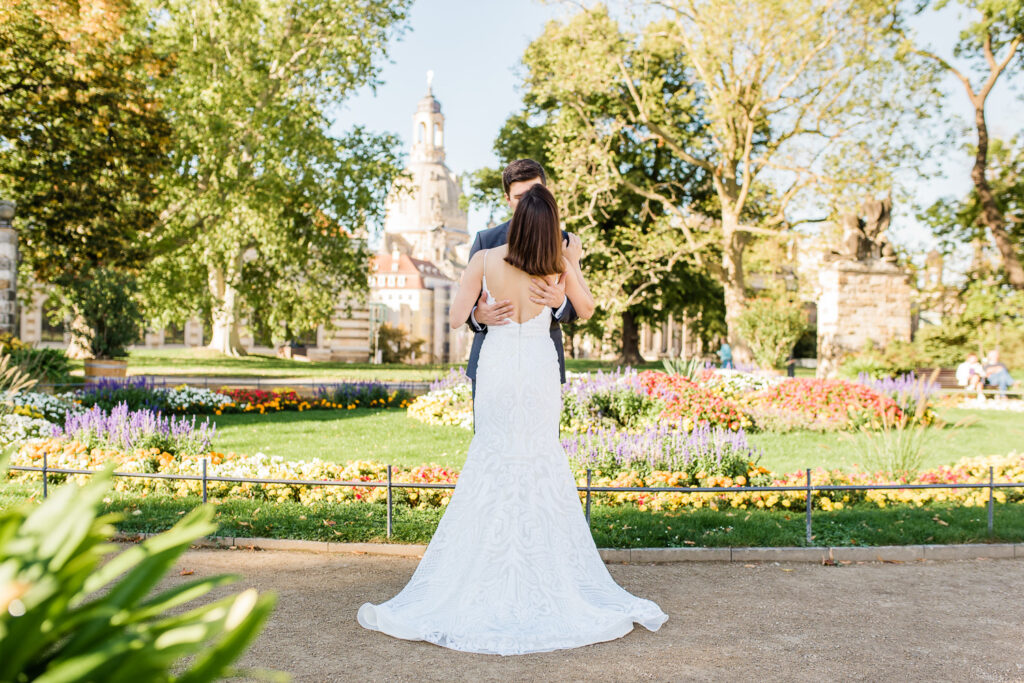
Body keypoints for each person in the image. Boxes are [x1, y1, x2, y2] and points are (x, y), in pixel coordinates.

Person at [357, 183, 667, 655]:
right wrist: (568, 273)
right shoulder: (557, 263)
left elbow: (457, 316)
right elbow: (586, 309)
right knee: (540, 455)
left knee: (492, 455)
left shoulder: (485, 260)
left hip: (499, 367)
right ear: (552, 226)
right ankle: (545, 571)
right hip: (538, 368)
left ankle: (481, 566)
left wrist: (481, 310)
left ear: (518, 219)